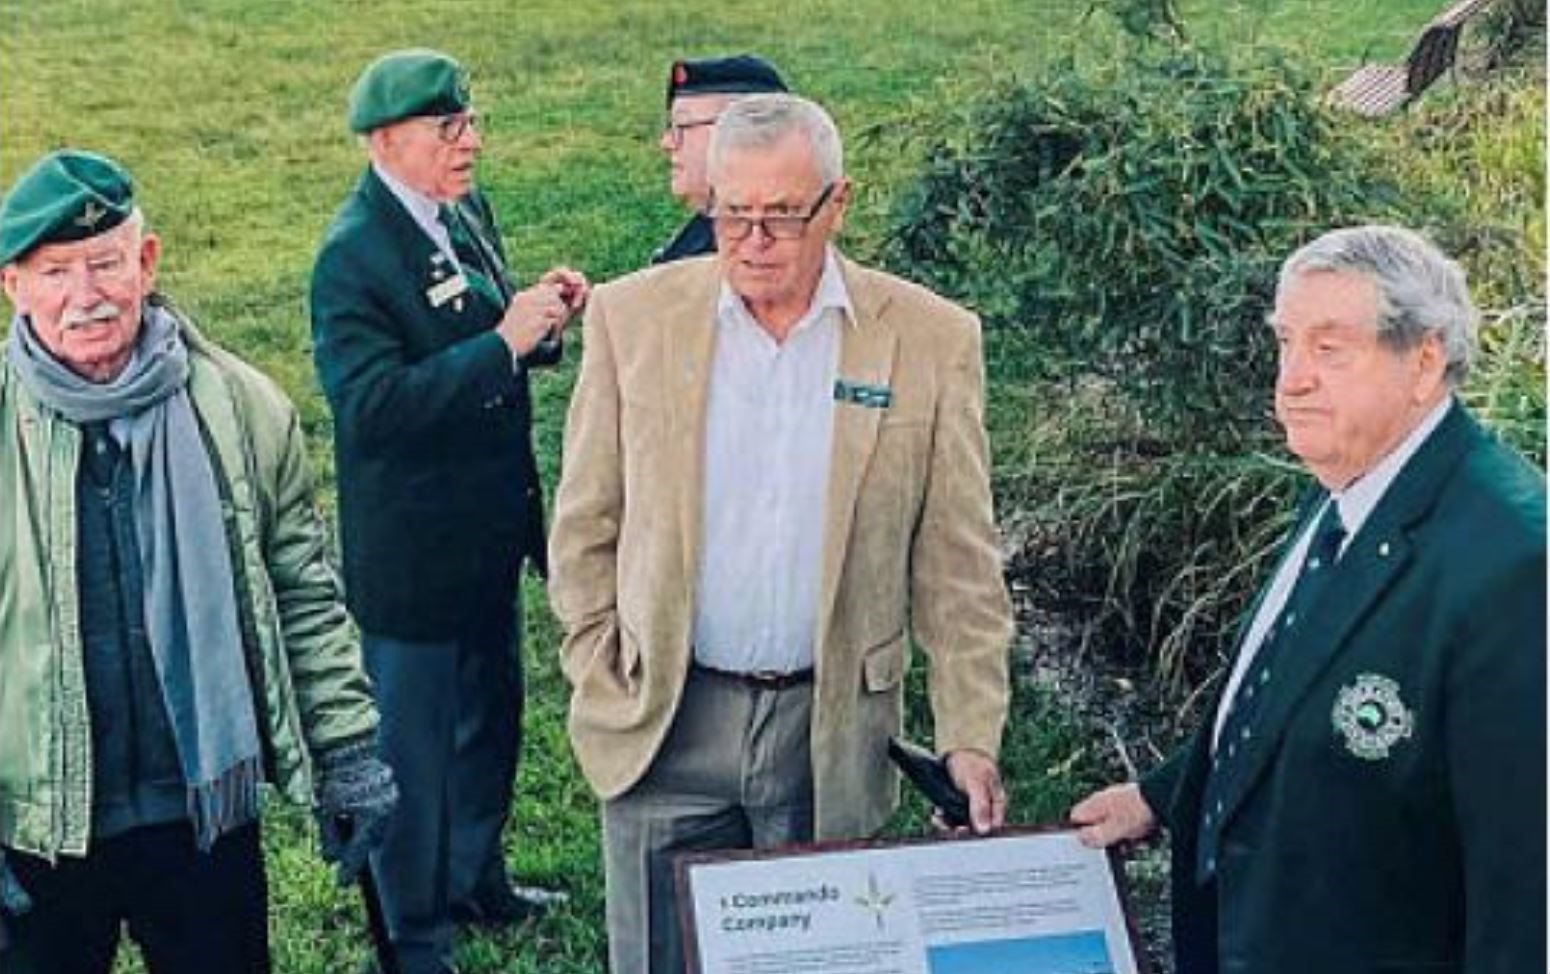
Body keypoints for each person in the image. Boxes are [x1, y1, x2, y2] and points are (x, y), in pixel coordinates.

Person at [550, 93, 1013, 974]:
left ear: (839, 204)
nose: (753, 241)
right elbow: (584, 525)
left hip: (829, 731)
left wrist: (969, 734)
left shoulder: (932, 341)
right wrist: (598, 661)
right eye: (732, 214)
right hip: (664, 719)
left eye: (783, 216)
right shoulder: (631, 320)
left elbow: (959, 569)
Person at [1070, 225, 1546, 974]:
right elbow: (1290, 688)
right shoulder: (1347, 486)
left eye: (1329, 349)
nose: (1291, 379)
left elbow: (1526, 890)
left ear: (1424, 362)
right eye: (1286, 342)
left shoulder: (1515, 561)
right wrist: (1163, 795)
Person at [0, 149, 396, 974]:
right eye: (56, 272)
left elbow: (303, 593)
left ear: (146, 262)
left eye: (106, 263)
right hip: (34, 830)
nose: (85, 295)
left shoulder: (244, 409)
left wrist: (348, 753)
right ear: (13, 286)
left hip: (201, 815)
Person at [310, 48, 586, 974]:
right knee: (414, 763)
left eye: (470, 121)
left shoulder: (460, 209)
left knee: (489, 726)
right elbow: (371, 409)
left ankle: (476, 879)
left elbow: (478, 330)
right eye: (447, 127)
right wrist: (501, 343)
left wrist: (537, 324)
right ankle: (416, 934)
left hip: (485, 541)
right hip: (414, 562)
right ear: (386, 140)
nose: (470, 141)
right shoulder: (353, 256)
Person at [651, 53, 787, 265]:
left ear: (744, 135)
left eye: (681, 126)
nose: (667, 143)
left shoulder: (759, 256)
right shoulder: (707, 229)